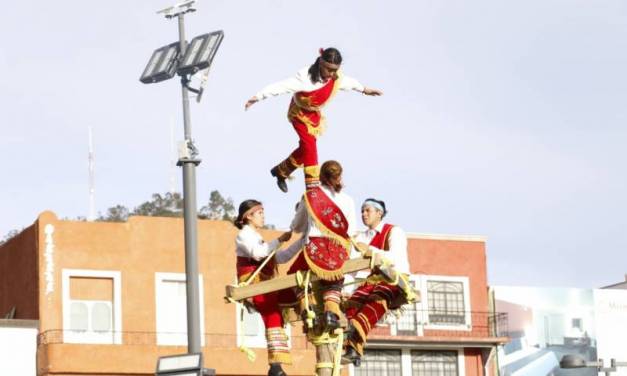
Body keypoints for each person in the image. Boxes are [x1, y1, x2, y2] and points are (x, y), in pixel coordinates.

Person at [245, 48, 383, 192]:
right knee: (310, 145)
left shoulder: (335, 78)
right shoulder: (304, 78)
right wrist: (257, 97)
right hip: (299, 114)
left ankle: (281, 171)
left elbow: (349, 82)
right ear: (321, 63)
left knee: (306, 148)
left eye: (335, 70)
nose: (332, 74)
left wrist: (364, 89)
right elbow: (281, 86)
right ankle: (312, 187)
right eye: (329, 69)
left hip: (313, 115)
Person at [286, 160, 357, 330]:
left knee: (294, 275)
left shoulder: (310, 196)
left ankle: (307, 305)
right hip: (338, 250)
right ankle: (331, 313)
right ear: (339, 177)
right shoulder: (348, 200)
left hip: (314, 249)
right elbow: (352, 231)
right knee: (334, 280)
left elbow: (298, 226)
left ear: (321, 176)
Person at [234, 199, 302, 376]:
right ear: (248, 216)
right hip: (255, 284)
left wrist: (302, 242)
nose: (263, 216)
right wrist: (279, 239)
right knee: (273, 317)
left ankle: (276, 366)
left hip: (266, 284)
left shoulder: (257, 237)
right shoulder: (243, 235)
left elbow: (281, 257)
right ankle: (276, 366)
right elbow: (259, 254)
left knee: (294, 294)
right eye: (260, 213)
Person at [342, 198, 410, 365]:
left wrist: (370, 250)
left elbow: (396, 257)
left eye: (368, 211)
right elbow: (354, 264)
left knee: (375, 301)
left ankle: (354, 341)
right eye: (362, 211)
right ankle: (353, 349)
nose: (364, 214)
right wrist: (346, 288)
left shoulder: (394, 231)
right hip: (375, 278)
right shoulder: (361, 237)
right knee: (352, 302)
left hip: (395, 277)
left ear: (379, 213)